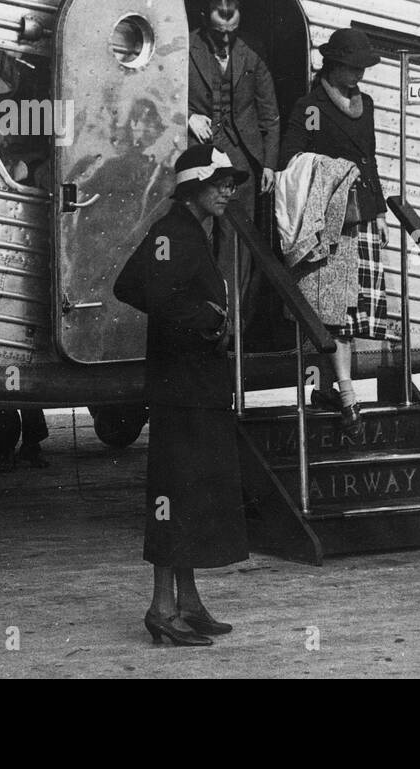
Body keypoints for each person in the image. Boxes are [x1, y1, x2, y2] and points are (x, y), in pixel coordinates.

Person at [113, 145, 252, 646]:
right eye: (219, 183)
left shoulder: (189, 231)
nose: (228, 191)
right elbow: (141, 289)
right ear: (193, 186)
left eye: (232, 183)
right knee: (174, 496)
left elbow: (134, 286)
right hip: (183, 390)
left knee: (190, 495)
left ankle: (188, 601)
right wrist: (207, 320)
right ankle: (160, 607)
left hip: (194, 388)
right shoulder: (174, 233)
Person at [279, 28, 388, 438]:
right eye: (351, 68)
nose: (358, 76)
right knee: (334, 314)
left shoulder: (368, 105)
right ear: (333, 64)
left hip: (362, 214)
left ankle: (332, 391)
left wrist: (379, 214)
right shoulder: (311, 106)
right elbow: (292, 157)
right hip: (331, 220)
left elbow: (370, 159)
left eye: (361, 69)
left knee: (353, 312)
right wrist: (334, 172)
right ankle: (345, 396)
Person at [187, 0, 280, 305]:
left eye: (232, 32)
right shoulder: (184, 46)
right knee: (198, 236)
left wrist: (268, 163)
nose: (225, 40)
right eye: (218, 33)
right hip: (198, 156)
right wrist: (188, 117)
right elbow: (156, 95)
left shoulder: (253, 53)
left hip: (241, 159)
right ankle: (197, 317)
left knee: (236, 244)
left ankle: (228, 325)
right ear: (204, 21)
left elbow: (270, 113)